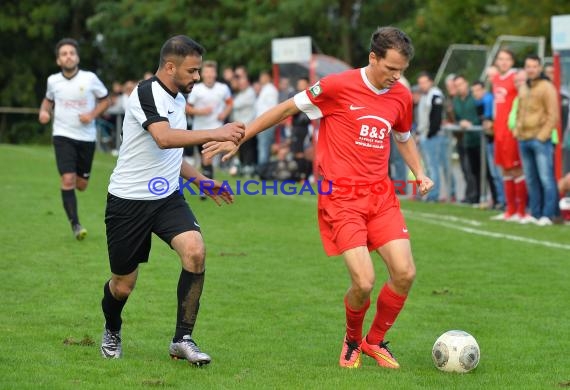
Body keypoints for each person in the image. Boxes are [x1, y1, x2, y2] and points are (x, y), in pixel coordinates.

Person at [203, 26, 433, 369]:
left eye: (402, 71)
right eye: (390, 69)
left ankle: (374, 341)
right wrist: (242, 136)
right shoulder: (337, 86)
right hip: (341, 199)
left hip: (381, 196)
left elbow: (403, 136)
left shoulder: (399, 95)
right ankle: (352, 340)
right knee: (364, 281)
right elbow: (284, 110)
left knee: (405, 273)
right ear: (373, 58)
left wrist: (418, 171)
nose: (396, 78)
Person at [99, 35, 245, 363]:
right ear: (170, 67)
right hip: (128, 201)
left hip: (166, 197)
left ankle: (182, 339)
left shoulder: (178, 97)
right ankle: (112, 327)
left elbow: (172, 154)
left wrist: (202, 181)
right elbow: (164, 139)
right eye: (192, 71)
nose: (197, 77)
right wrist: (216, 132)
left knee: (195, 252)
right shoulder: (145, 93)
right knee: (123, 285)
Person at [38, 38, 110, 240]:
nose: (68, 56)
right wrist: (44, 111)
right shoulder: (53, 81)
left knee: (81, 185)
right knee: (68, 179)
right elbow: (48, 100)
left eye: (71, 53)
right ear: (58, 60)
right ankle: (76, 225)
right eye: (64, 54)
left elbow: (106, 100)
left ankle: (76, 210)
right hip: (62, 136)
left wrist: (91, 115)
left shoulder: (90, 78)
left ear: (77, 57)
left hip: (86, 138)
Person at [514, 55, 559, 225]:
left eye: (534, 66)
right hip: (524, 139)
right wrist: (518, 129)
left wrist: (542, 136)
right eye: (528, 66)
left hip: (540, 139)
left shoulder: (547, 87)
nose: (531, 69)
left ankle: (548, 214)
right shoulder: (524, 88)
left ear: (539, 68)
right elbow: (519, 111)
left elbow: (552, 115)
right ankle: (535, 212)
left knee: (546, 177)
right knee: (531, 179)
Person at [491, 49, 528, 221]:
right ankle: (510, 210)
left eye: (507, 59)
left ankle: (521, 211)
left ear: (512, 62)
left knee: (516, 169)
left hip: (511, 131)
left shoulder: (516, 78)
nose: (504, 62)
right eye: (501, 59)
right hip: (498, 131)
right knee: (505, 169)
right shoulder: (496, 79)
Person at [186, 60, 234, 181]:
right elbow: (187, 108)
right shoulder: (196, 89)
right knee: (204, 159)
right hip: (199, 129)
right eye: (206, 72)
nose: (209, 75)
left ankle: (206, 187)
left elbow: (229, 103)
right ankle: (207, 181)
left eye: (211, 72)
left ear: (215, 74)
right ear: (202, 74)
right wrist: (201, 112)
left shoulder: (223, 88)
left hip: (216, 129)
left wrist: (224, 113)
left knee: (207, 157)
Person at [416, 71, 450, 202]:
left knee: (434, 166)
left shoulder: (435, 95)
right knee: (430, 166)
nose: (422, 85)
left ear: (430, 82)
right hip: (425, 135)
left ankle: (434, 194)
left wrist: (430, 133)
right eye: (420, 83)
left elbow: (436, 117)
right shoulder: (425, 95)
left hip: (433, 136)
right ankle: (431, 193)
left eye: (424, 82)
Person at [471, 80, 505, 209]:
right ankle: (499, 200)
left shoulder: (488, 100)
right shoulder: (479, 101)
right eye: (473, 91)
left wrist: (488, 123)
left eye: (478, 90)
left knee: (499, 173)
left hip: (496, 140)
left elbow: (488, 120)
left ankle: (502, 201)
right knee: (494, 173)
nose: (475, 93)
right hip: (490, 139)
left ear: (484, 89)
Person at [452, 75, 481, 204]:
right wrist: (460, 122)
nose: (459, 87)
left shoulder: (474, 96)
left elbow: (480, 114)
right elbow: (456, 117)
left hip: (479, 138)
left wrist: (471, 123)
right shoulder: (456, 100)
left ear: (466, 83)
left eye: (461, 84)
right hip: (464, 139)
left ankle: (479, 196)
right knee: (467, 169)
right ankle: (471, 195)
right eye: (456, 85)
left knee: (480, 170)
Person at [254, 70, 279, 167]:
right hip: (262, 122)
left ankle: (263, 169)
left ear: (268, 77)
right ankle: (263, 168)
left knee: (264, 147)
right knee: (263, 146)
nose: (261, 78)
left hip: (266, 123)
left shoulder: (271, 90)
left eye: (263, 76)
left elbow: (271, 108)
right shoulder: (265, 89)